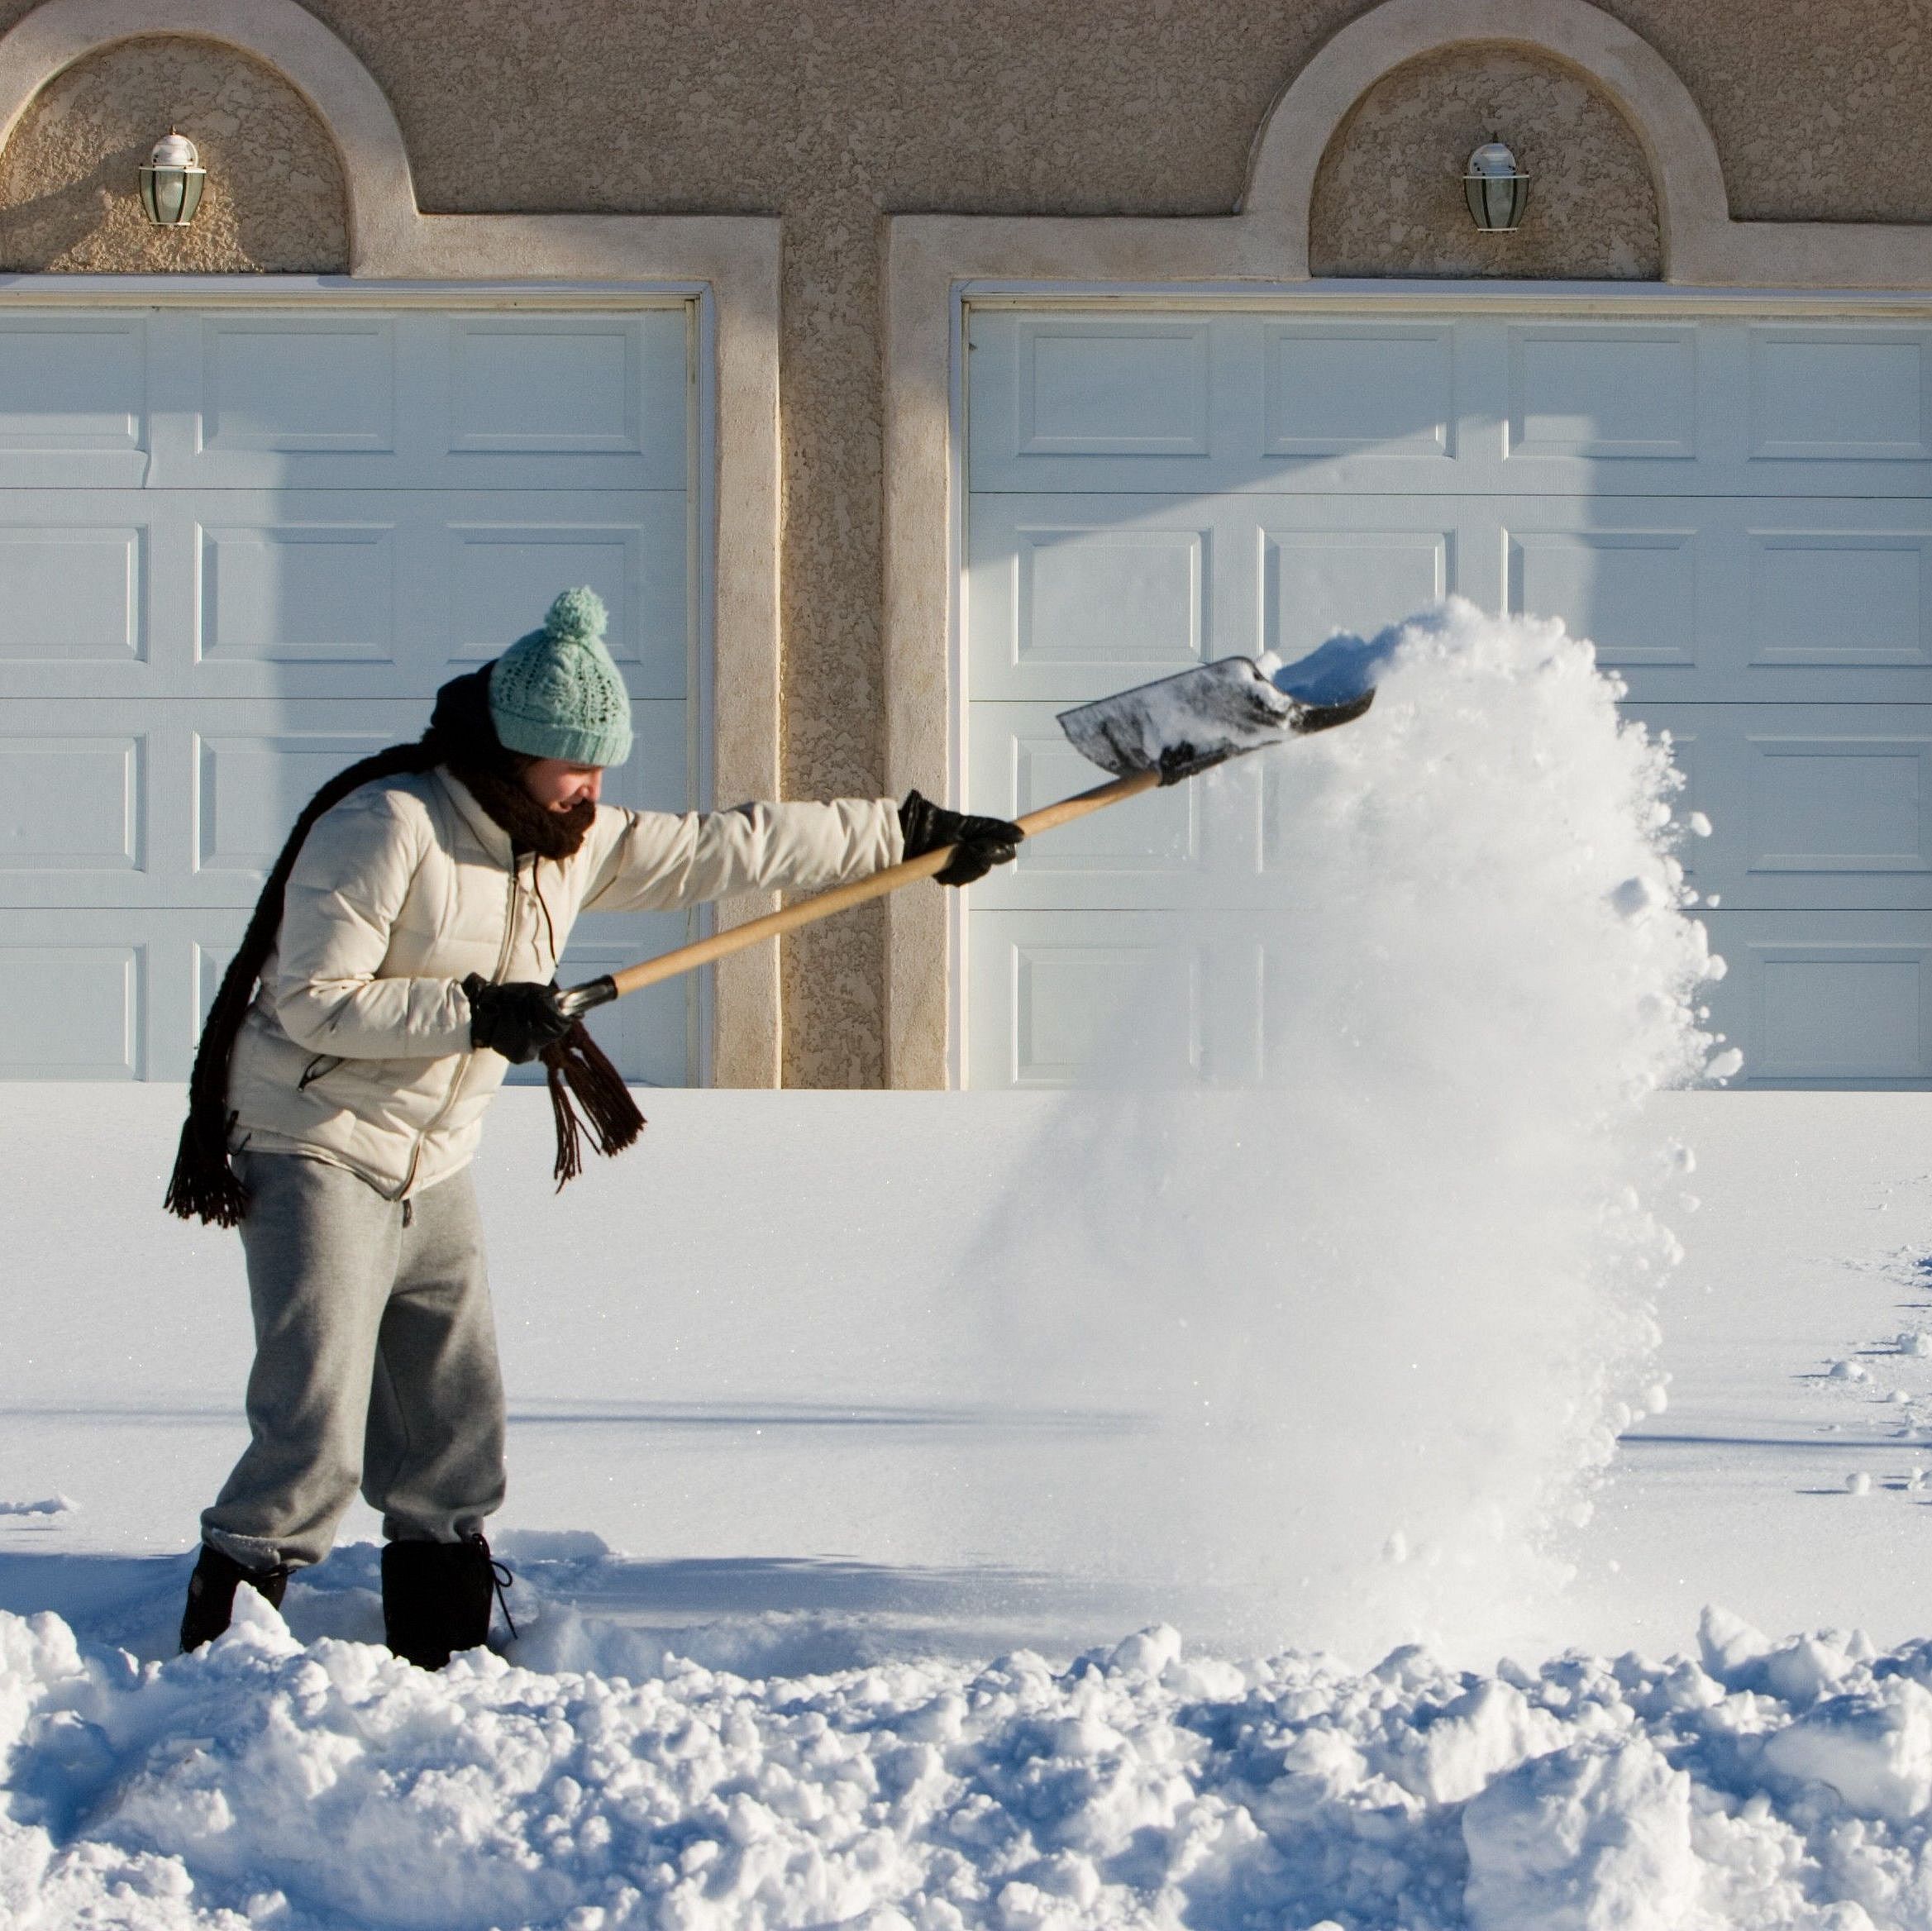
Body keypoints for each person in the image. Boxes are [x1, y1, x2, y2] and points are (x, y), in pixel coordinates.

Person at [167, 587, 1022, 1667]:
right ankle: (218, 1656)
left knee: (450, 1417)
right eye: (575, 765)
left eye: (600, 766)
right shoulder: (386, 824)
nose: (593, 787)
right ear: (511, 753)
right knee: (315, 1422)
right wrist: (476, 1010)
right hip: (317, 1138)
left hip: (435, 1154)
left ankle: (443, 1647)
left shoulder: (566, 837)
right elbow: (311, 1002)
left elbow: (727, 849)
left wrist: (904, 835)